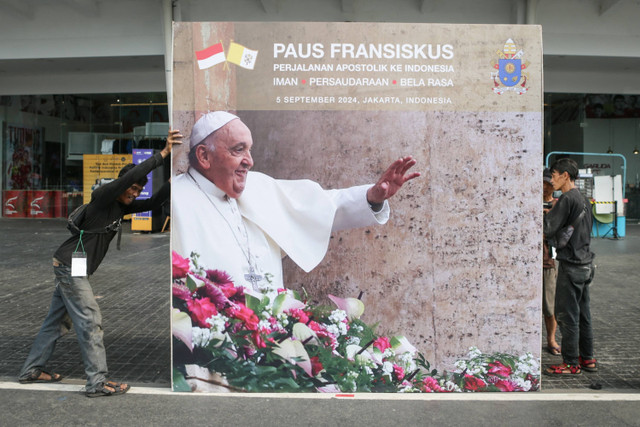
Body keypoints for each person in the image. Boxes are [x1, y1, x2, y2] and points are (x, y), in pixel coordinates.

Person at [172, 111, 420, 295]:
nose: (250, 161)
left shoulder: (258, 186)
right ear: (204, 156)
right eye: (239, 150)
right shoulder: (176, 200)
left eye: (250, 149)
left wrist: (372, 197)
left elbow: (322, 206)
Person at [18, 130, 183, 397]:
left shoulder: (121, 206)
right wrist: (163, 154)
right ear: (121, 185)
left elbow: (154, 202)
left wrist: (177, 180)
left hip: (69, 266)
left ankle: (32, 369)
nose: (135, 191)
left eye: (139, 188)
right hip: (70, 267)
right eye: (132, 187)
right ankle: (97, 382)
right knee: (90, 320)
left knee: (56, 322)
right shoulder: (104, 196)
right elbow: (129, 178)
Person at [544, 158, 596, 375]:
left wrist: (546, 215)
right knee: (584, 315)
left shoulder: (566, 198)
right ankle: (588, 359)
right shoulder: (583, 199)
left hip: (571, 265)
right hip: (586, 265)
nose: (552, 179)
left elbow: (547, 229)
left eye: (554, 174)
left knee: (567, 316)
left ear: (565, 175)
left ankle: (570, 363)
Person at [542, 168, 560, 356]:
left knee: (549, 305)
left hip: (548, 260)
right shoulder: (529, 200)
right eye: (544, 182)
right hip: (528, 261)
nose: (546, 187)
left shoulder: (557, 205)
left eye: (549, 183)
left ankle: (551, 339)